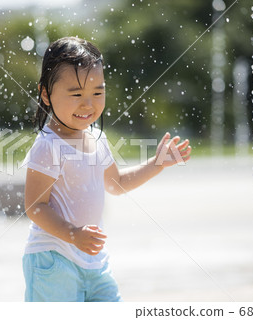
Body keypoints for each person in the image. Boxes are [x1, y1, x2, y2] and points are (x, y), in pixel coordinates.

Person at [21, 36, 191, 302]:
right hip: (53, 260)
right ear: (46, 93)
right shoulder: (48, 146)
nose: (88, 104)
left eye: (97, 92)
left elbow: (116, 183)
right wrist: (73, 234)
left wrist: (157, 164)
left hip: (94, 261)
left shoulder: (96, 139)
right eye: (76, 94)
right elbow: (35, 207)